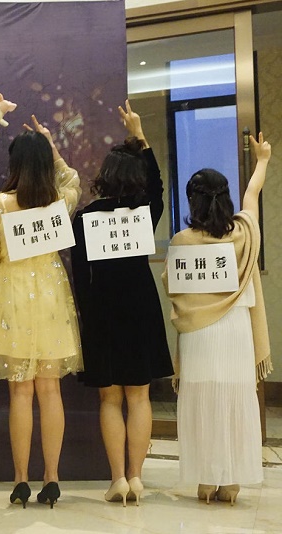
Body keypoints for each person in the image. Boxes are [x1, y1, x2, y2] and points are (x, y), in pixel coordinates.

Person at [0, 115, 81, 509]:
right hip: (51, 296)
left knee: (20, 391)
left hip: (12, 296)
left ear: (15, 163)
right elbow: (73, 180)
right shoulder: (59, 202)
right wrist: (52, 147)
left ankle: (20, 479)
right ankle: (52, 478)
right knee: (50, 390)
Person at [70, 101, 173, 506]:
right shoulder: (144, 213)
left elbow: (80, 278)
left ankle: (117, 479)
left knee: (110, 399)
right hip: (141, 307)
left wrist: (87, 316)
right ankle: (137, 477)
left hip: (102, 312)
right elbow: (158, 187)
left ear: (106, 177)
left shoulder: (85, 218)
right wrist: (141, 137)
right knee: (140, 396)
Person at [163, 133, 272, 505]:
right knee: (234, 397)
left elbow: (172, 285)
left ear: (192, 201)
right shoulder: (244, 233)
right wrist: (262, 159)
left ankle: (206, 480)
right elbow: (252, 195)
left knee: (202, 399)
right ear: (225, 198)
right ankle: (232, 481)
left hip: (199, 333)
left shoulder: (182, 241)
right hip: (236, 329)